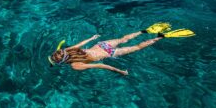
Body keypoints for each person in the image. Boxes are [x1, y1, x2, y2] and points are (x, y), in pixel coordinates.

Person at [48, 23, 195, 75]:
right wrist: (93, 39)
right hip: (102, 45)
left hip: (110, 53)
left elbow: (101, 65)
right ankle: (145, 31)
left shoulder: (75, 65)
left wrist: (120, 71)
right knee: (124, 39)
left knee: (137, 47)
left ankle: (161, 36)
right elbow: (81, 43)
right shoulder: (69, 50)